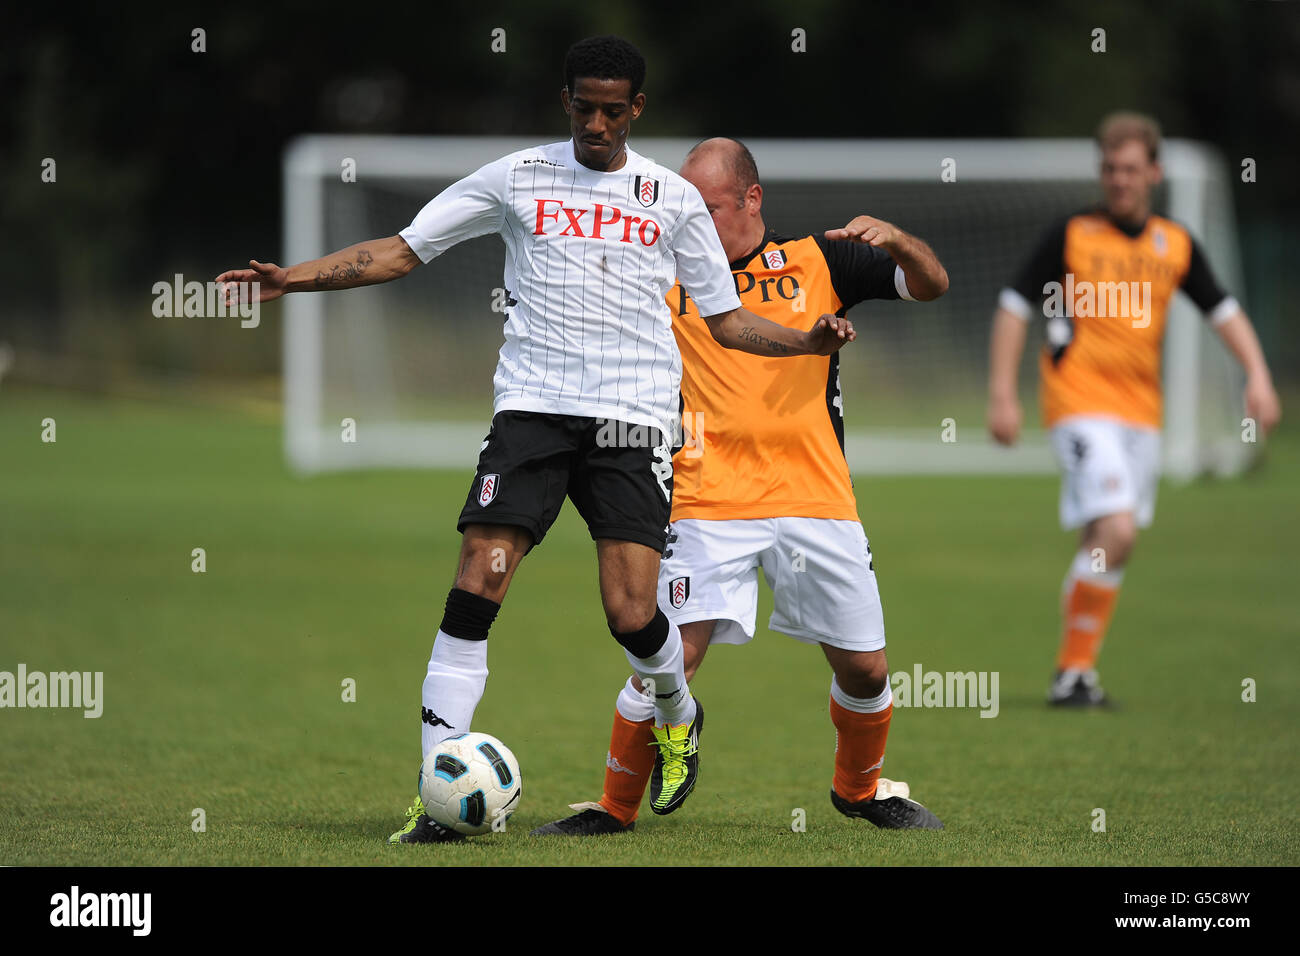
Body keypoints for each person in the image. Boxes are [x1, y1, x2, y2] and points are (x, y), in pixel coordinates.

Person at [217, 37, 857, 843]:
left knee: (632, 614)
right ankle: (437, 795)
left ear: (637, 110)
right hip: (533, 415)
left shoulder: (671, 198)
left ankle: (677, 712)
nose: (597, 122)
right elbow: (403, 251)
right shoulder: (516, 177)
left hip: (631, 423)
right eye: (584, 106)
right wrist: (293, 278)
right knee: (476, 586)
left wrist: (807, 344)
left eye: (612, 110)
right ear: (566, 101)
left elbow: (725, 318)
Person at [532, 137, 949, 836]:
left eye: (708, 205)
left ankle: (860, 790)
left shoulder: (823, 258)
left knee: (868, 671)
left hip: (816, 498)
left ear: (752, 199)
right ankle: (612, 808)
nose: (689, 218)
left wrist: (900, 241)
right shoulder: (661, 272)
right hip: (705, 499)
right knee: (669, 661)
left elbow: (933, 285)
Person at [986, 111, 1281, 707]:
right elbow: (1014, 306)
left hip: (1142, 415)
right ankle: (1072, 672)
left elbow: (1223, 310)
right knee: (1117, 526)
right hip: (1078, 405)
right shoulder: (1070, 234)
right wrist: (1001, 393)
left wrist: (1258, 374)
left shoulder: (1174, 244)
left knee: (1107, 538)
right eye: (1109, 169)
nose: (1118, 180)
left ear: (1153, 171)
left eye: (1130, 169)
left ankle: (1073, 677)